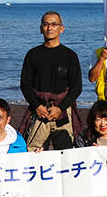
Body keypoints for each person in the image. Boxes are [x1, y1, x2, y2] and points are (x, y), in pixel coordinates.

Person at [20, 11, 83, 151]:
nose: (50, 28)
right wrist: (37, 106)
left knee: (67, 154)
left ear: (61, 28)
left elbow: (77, 87)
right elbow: (25, 85)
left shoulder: (70, 56)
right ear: (40, 28)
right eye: (46, 24)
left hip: (63, 112)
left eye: (54, 24)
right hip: (39, 112)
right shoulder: (32, 54)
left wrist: (60, 108)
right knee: (33, 153)